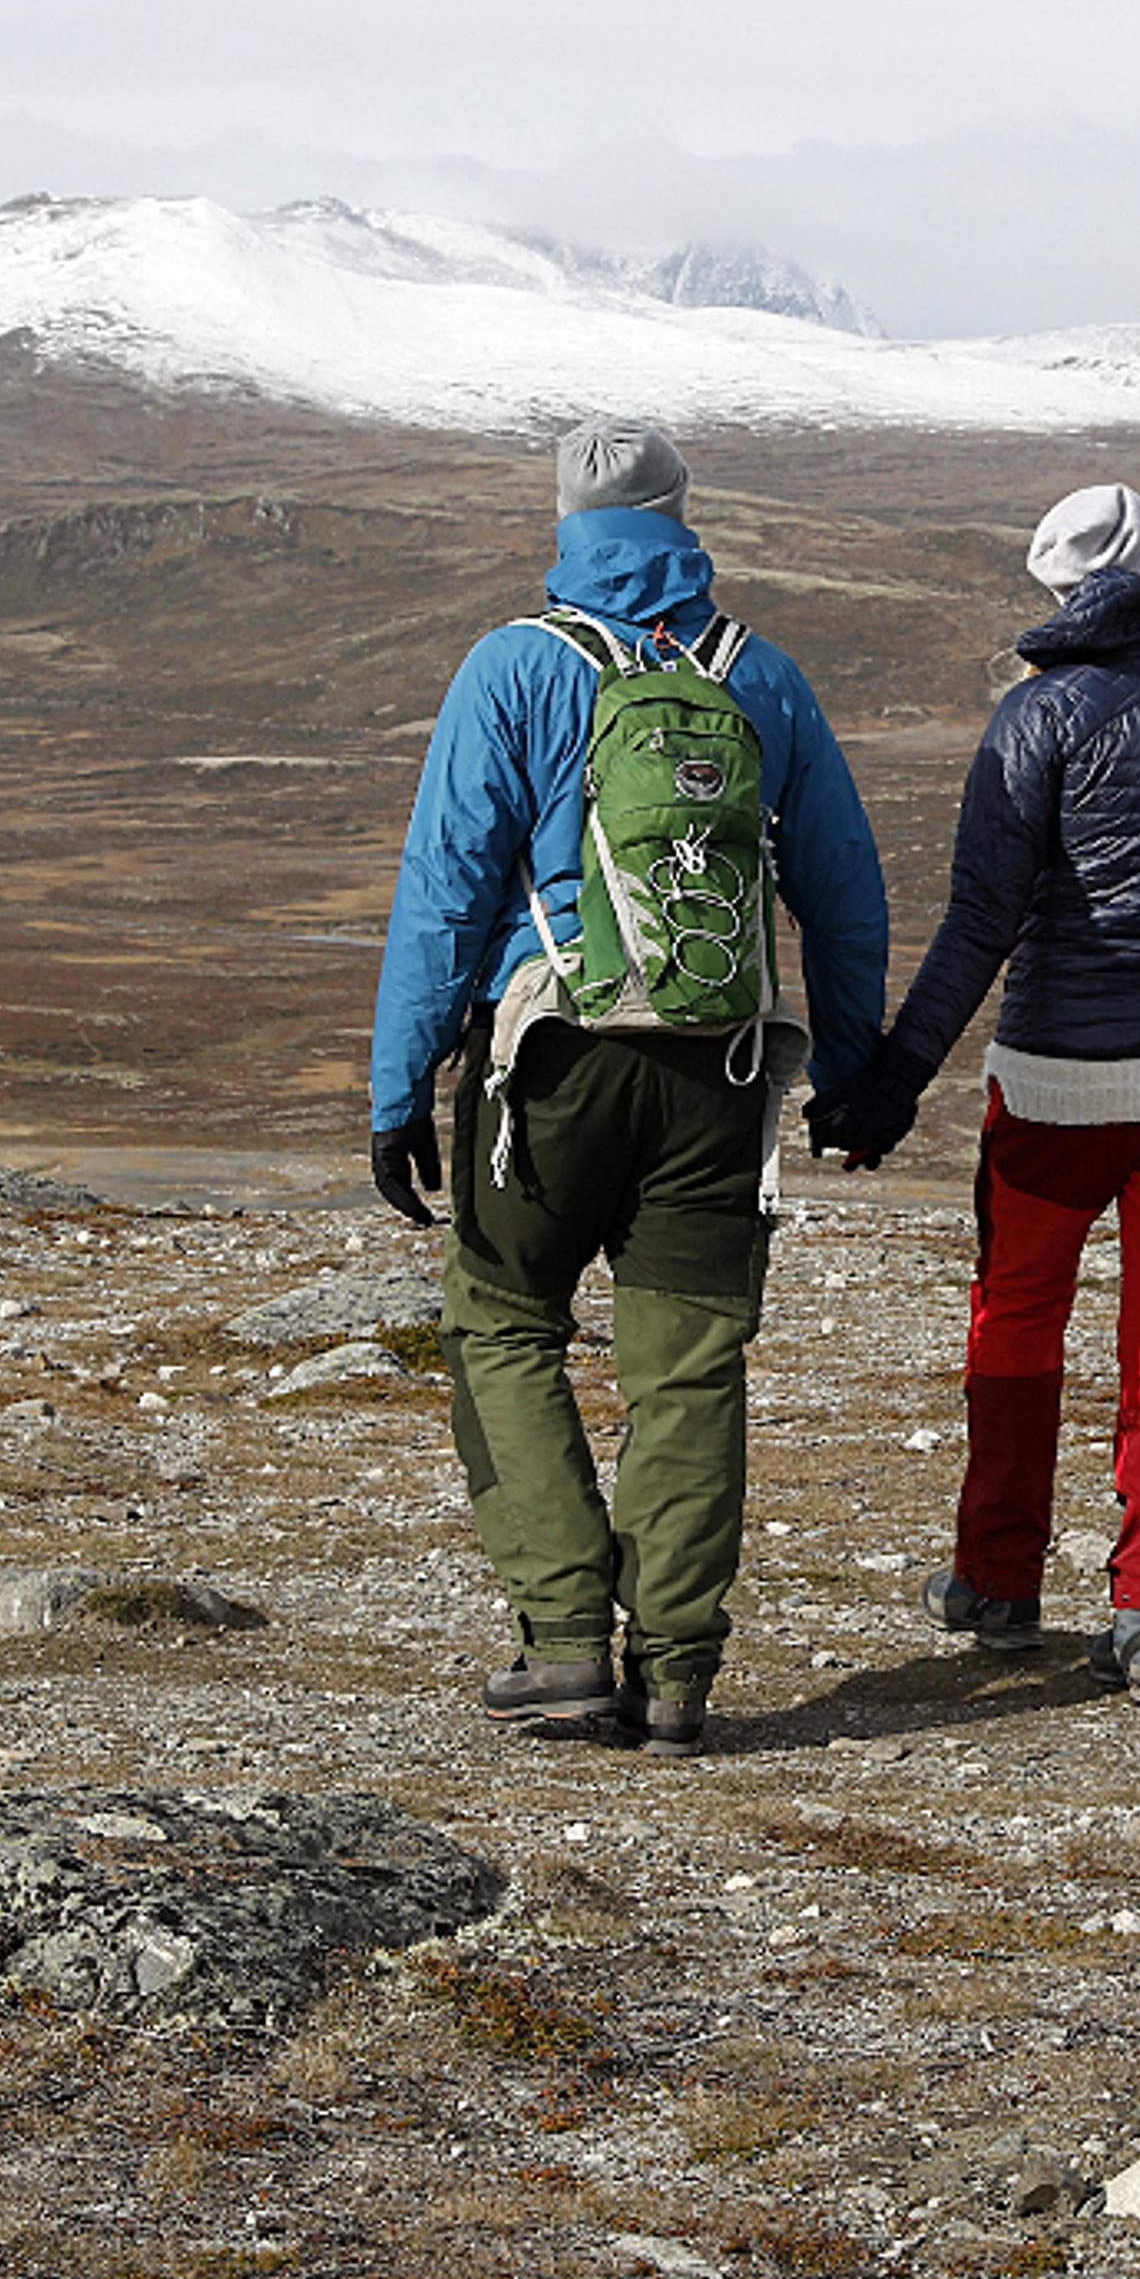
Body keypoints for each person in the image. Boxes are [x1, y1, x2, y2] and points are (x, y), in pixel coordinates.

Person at [369, 420, 888, 1756]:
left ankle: (562, 1645)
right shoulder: (759, 674)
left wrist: (398, 1090)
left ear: (565, 522)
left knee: (501, 1323)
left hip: (550, 1060)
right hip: (719, 1068)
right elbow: (844, 890)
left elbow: (445, 892)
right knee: (690, 1368)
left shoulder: (514, 667)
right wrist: (848, 1065)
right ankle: (673, 1674)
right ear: (681, 515)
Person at [815, 483, 1140, 1707]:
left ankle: (998, 1582)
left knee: (1018, 1317)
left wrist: (891, 1081)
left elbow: (981, 922)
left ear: (1057, 586)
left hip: (1055, 1088)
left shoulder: (1038, 714)